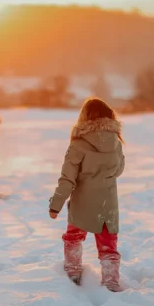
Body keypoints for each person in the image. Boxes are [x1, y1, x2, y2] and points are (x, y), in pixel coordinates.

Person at [48, 97, 125, 291]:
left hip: (83, 201)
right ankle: (111, 282)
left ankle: (73, 272)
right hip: (108, 203)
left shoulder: (78, 144)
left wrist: (56, 204)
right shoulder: (115, 141)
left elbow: (68, 178)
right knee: (108, 244)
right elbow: (119, 169)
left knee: (74, 236)